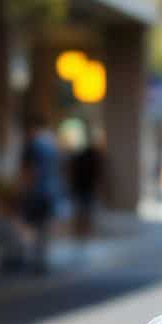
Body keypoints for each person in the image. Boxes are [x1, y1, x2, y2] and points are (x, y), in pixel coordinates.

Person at [18, 112, 63, 273]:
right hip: (50, 190)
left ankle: (33, 258)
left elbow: (28, 171)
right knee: (44, 226)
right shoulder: (52, 144)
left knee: (30, 226)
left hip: (36, 191)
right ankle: (42, 257)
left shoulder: (32, 145)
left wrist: (24, 188)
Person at [69, 127, 105, 241]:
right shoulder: (93, 157)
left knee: (82, 210)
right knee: (86, 210)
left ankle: (81, 230)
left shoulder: (81, 157)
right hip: (86, 187)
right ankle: (85, 230)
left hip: (81, 186)